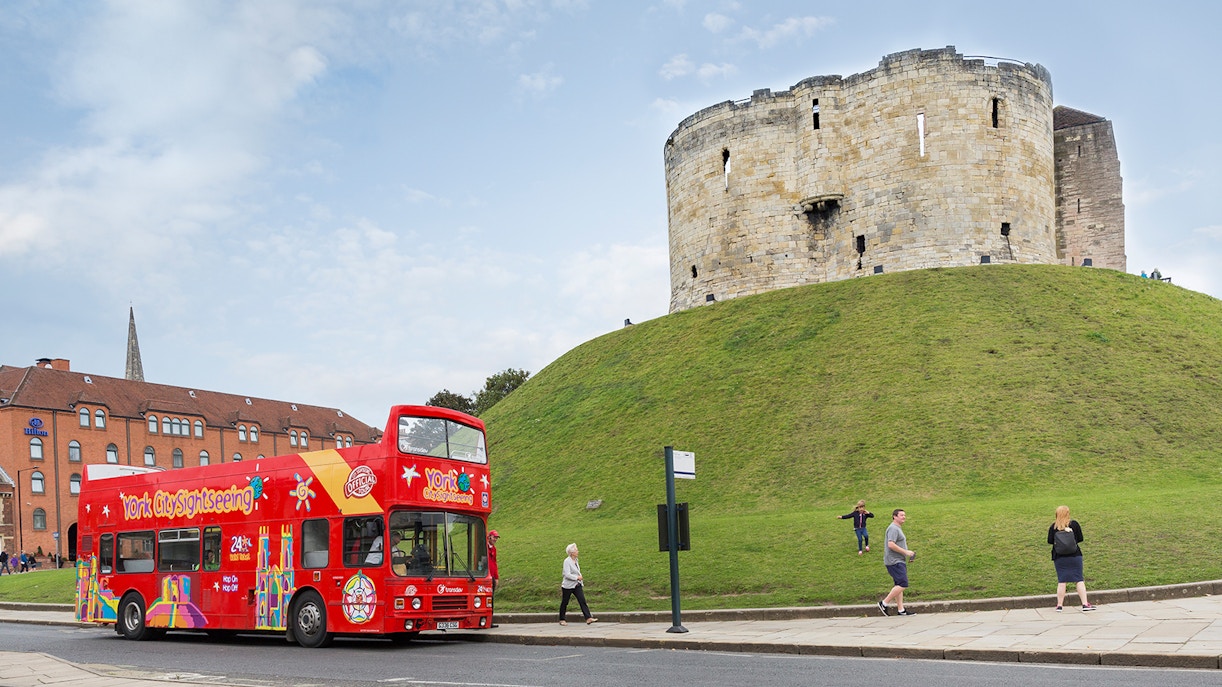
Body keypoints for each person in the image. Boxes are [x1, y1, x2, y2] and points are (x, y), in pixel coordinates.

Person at [1048, 505, 1096, 612]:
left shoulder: (1053, 527)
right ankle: (1084, 604)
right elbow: (1080, 538)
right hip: (1075, 555)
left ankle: (1059, 605)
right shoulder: (1074, 524)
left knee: (1062, 581)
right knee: (1079, 579)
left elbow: (1050, 541)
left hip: (1059, 557)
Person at [878, 509, 916, 616]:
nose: (904, 517)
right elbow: (891, 544)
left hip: (898, 560)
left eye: (904, 515)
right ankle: (884, 603)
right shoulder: (893, 528)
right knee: (903, 583)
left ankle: (901, 610)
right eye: (901, 515)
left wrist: (907, 554)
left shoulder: (897, 528)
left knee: (898, 584)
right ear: (894, 516)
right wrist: (906, 552)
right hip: (894, 560)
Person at [558, 543, 597, 626]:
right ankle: (562, 619)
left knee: (582, 600)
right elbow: (566, 574)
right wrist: (577, 577)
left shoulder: (576, 560)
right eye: (576, 550)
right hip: (568, 586)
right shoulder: (567, 561)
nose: (578, 551)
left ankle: (588, 618)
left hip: (577, 585)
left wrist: (578, 580)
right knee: (565, 602)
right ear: (571, 552)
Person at [487, 530, 500, 627]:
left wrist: (496, 577)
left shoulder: (494, 549)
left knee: (491, 598)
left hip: (492, 576)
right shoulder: (484, 547)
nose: (495, 539)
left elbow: (494, 563)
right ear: (489, 537)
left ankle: (490, 620)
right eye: (494, 537)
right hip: (487, 576)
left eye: (496, 538)